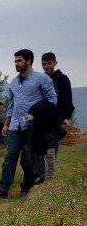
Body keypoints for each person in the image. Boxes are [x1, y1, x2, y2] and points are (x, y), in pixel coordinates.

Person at [0, 49, 57, 198]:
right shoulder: (14, 82)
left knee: (30, 158)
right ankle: (3, 189)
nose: (16, 64)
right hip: (15, 125)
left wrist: (40, 115)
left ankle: (28, 187)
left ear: (28, 61)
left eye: (19, 61)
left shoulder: (42, 79)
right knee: (10, 157)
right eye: (15, 61)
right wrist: (6, 124)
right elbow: (11, 105)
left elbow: (52, 100)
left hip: (33, 126)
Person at [40, 52, 75, 180]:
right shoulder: (40, 78)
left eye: (49, 63)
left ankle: (49, 178)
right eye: (44, 64)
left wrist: (66, 117)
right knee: (39, 149)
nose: (46, 66)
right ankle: (39, 175)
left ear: (55, 63)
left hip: (56, 120)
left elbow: (67, 100)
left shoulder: (62, 79)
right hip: (40, 120)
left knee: (51, 149)